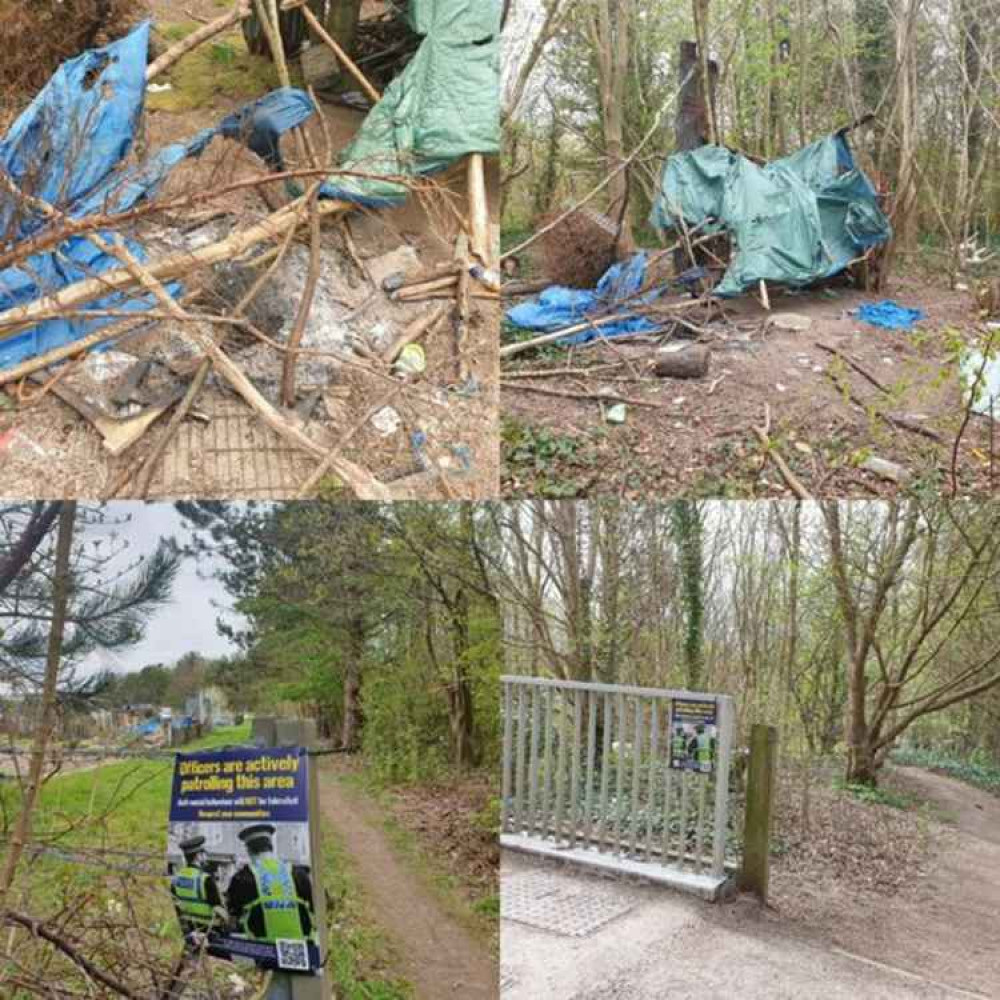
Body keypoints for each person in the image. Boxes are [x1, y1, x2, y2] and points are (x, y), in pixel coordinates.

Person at [226, 823, 316, 943]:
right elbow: (316, 906)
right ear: (271, 846)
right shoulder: (298, 873)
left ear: (249, 850)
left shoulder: (241, 878)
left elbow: (233, 913)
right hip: (301, 945)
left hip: (263, 949)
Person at [170, 835, 224, 937]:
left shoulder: (176, 878)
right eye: (204, 854)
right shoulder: (205, 879)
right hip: (209, 932)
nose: (206, 857)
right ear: (198, 856)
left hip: (188, 931)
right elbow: (218, 908)